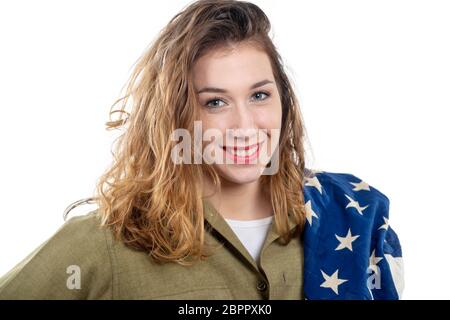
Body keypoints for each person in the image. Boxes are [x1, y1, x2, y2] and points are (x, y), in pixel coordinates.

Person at [0, 0, 403, 300]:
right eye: (215, 102)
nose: (245, 126)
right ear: (175, 117)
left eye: (259, 95)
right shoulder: (105, 243)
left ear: (285, 101)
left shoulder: (350, 217)